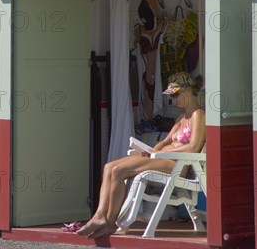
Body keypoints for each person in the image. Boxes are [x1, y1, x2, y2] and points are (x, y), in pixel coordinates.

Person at [76, 72, 205, 239]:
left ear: (187, 90)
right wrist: (152, 150)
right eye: (171, 97)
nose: (173, 100)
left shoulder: (198, 115)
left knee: (118, 171)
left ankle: (109, 221)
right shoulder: (181, 117)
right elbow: (165, 141)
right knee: (109, 167)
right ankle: (100, 215)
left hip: (176, 165)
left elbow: (193, 147)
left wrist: (160, 152)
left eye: (175, 95)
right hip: (163, 158)